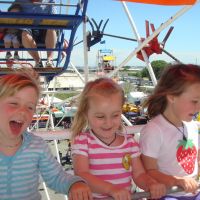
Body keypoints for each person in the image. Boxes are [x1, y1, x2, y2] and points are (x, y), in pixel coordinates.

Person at [0, 68, 92, 200]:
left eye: (30, 107)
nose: (22, 112)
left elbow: (55, 177)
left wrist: (74, 183)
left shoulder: (37, 146)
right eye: (14, 103)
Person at [71, 77, 166, 200]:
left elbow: (139, 174)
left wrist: (150, 184)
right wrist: (111, 189)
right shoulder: (83, 141)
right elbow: (82, 174)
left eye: (115, 115)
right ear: (86, 114)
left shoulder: (130, 143)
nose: (108, 123)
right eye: (100, 116)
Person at [139, 64, 200, 199]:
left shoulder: (193, 126)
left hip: (194, 191)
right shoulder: (154, 130)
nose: (199, 107)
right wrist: (177, 181)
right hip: (169, 194)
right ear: (172, 97)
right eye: (195, 101)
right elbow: (149, 171)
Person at [14, 0, 57, 68]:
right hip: (27, 28)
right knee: (24, 33)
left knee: (51, 27)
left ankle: (49, 60)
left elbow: (54, 17)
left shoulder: (50, 1)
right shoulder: (20, 1)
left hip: (44, 29)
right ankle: (38, 61)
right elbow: (12, 12)